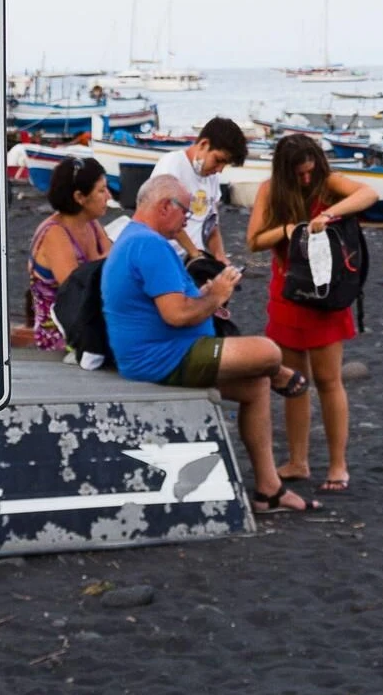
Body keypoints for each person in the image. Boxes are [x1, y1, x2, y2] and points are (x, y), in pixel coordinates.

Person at [102, 171, 312, 512]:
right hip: (164, 356)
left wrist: (206, 293)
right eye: (185, 211)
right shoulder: (149, 245)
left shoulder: (136, 238)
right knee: (268, 352)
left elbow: (171, 303)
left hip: (159, 350)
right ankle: (279, 374)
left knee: (255, 385)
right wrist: (216, 297)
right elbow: (176, 315)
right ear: (165, 206)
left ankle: (269, 490)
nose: (187, 220)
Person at [247, 132, 377, 493]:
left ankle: (338, 465)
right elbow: (254, 240)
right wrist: (287, 230)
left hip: (325, 295)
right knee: (294, 383)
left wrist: (330, 213)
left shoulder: (329, 183)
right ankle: (297, 461)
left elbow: (369, 193)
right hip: (288, 293)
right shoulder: (270, 191)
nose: (306, 179)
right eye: (299, 174)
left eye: (310, 171)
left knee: (328, 380)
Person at [14, 155, 108, 353]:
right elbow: (76, 291)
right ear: (80, 197)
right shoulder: (54, 234)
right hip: (58, 331)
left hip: (87, 320)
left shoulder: (90, 222)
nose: (108, 196)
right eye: (101, 191)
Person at [156, 116, 249, 261]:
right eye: (218, 160)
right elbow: (166, 219)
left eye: (225, 164)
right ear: (203, 144)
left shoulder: (211, 176)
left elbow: (212, 224)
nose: (219, 169)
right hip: (168, 257)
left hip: (194, 259)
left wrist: (220, 257)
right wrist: (195, 254)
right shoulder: (172, 164)